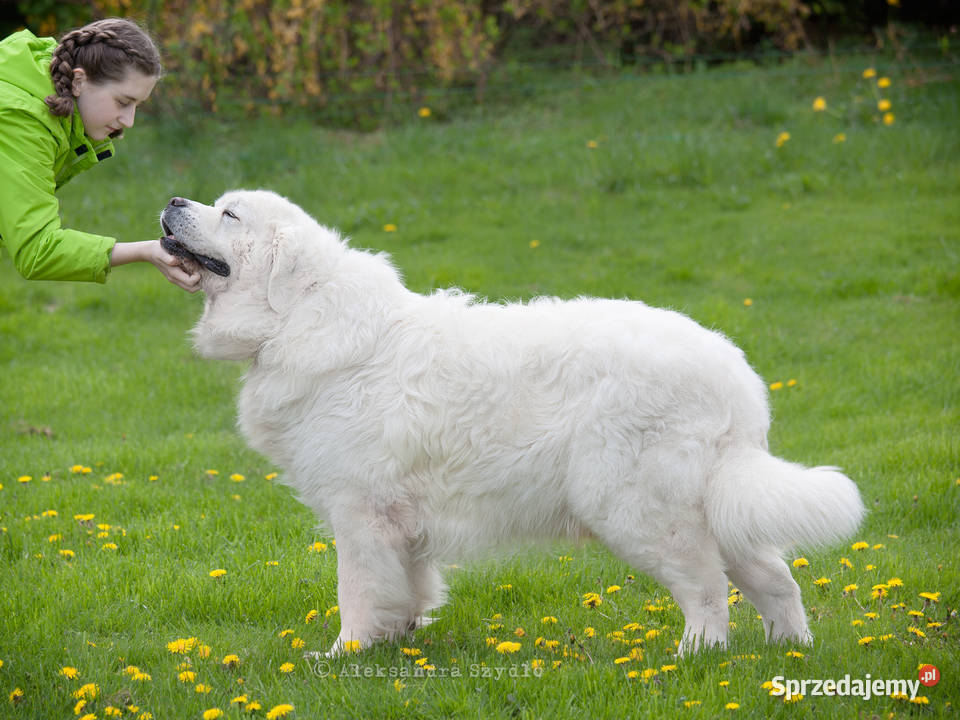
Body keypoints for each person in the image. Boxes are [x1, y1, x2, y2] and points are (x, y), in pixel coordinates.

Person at [0, 18, 199, 290]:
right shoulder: (22, 121)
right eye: (123, 102)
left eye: (137, 106)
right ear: (79, 81)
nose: (129, 120)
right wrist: (145, 251)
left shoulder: (32, 84)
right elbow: (37, 250)